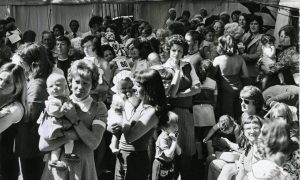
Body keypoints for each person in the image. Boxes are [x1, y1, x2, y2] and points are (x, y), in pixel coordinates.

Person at [40, 60, 108, 180]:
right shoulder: (55, 104)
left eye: (86, 83)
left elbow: (94, 143)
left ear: (93, 84)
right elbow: (43, 146)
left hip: (82, 169)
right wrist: (69, 136)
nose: (80, 87)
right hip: (57, 170)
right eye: (77, 82)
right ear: (70, 82)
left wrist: (74, 119)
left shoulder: (99, 108)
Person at [109, 69, 170, 180]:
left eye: (138, 86)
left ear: (148, 88)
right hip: (122, 155)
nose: (134, 88)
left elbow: (130, 137)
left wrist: (125, 107)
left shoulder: (153, 112)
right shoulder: (139, 102)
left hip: (135, 159)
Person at [164, 34, 201, 180]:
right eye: (174, 50)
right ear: (168, 50)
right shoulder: (164, 68)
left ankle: (184, 176)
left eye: (180, 51)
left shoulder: (187, 65)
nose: (176, 54)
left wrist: (181, 95)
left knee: (188, 150)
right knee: (172, 148)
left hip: (186, 112)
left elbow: (197, 87)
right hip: (170, 114)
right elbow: (168, 94)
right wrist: (179, 94)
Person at [16, 43, 53, 180]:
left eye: (22, 62)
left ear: (32, 63)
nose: (20, 65)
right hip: (29, 143)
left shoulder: (37, 85)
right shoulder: (34, 80)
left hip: (31, 144)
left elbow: (29, 117)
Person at [38, 74, 78, 170]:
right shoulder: (52, 101)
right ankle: (56, 159)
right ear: (47, 90)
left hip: (62, 126)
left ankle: (65, 155)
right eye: (51, 86)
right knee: (58, 144)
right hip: (55, 127)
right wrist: (63, 110)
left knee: (66, 142)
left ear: (65, 87)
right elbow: (55, 113)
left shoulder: (65, 98)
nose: (55, 88)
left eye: (58, 85)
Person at [0, 63, 27, 180]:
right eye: (0, 79)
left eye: (7, 82)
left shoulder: (15, 108)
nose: (1, 84)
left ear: (18, 86)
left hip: (4, 168)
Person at [213, 34, 249, 120]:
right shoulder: (240, 58)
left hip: (225, 90)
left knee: (227, 114)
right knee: (238, 112)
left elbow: (212, 76)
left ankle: (228, 132)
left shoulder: (218, 59)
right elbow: (246, 75)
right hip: (239, 88)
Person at [107, 77, 136, 154]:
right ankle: (113, 144)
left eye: (130, 87)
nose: (127, 90)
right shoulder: (116, 96)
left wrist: (128, 99)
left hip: (127, 119)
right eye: (123, 88)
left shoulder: (134, 96)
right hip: (117, 116)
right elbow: (116, 108)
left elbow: (133, 106)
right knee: (115, 132)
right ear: (117, 89)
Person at [152, 111, 182, 180]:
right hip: (160, 164)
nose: (177, 128)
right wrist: (174, 141)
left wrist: (175, 140)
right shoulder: (163, 137)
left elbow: (179, 152)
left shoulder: (171, 136)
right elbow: (168, 154)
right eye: (174, 126)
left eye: (177, 125)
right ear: (165, 127)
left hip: (169, 164)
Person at [81, 35, 111, 103]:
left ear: (95, 47)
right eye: (84, 47)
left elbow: (106, 87)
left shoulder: (104, 63)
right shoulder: (81, 62)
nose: (85, 49)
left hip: (100, 100)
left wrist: (91, 90)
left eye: (88, 46)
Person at [241, 15, 263, 85]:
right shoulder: (246, 35)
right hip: (243, 69)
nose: (253, 26)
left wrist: (243, 56)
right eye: (251, 24)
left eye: (255, 24)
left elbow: (258, 54)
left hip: (253, 70)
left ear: (260, 25)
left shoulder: (262, 37)